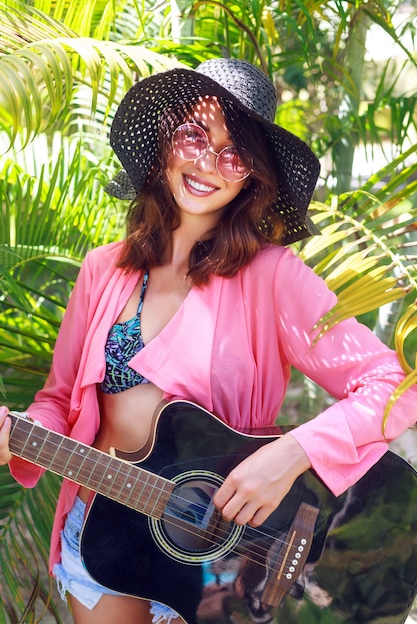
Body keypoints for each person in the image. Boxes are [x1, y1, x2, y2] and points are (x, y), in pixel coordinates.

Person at [0, 58, 416, 624]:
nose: (208, 163)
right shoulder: (104, 269)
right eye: (194, 135)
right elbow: (58, 400)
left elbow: (393, 384)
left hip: (220, 558)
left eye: (233, 151)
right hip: (101, 535)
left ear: (252, 176)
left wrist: (291, 455)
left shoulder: (272, 276)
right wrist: (20, 435)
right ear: (165, 142)